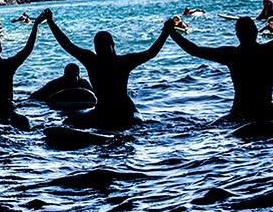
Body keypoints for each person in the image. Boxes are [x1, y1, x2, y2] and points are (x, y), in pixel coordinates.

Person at [168, 0, 273, 127]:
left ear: (237, 35)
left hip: (240, 114)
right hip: (266, 111)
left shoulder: (231, 55)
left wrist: (172, 32)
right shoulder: (269, 50)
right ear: (256, 32)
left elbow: (194, 50)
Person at [42, 8, 174, 129]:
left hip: (125, 110)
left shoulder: (123, 62)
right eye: (98, 47)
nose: (101, 49)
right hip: (102, 109)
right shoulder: (91, 60)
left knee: (136, 122)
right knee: (67, 123)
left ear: (112, 45)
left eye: (104, 46)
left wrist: (166, 32)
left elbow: (151, 53)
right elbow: (67, 45)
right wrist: (51, 23)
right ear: (95, 48)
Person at [29, 63, 94, 101]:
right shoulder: (55, 84)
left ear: (78, 76)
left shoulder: (83, 84)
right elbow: (35, 96)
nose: (72, 78)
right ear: (65, 75)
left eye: (74, 75)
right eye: (70, 75)